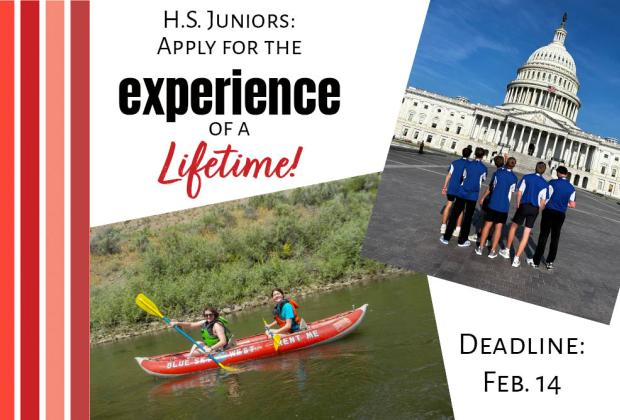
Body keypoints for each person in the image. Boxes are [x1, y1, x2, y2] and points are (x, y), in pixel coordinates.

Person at [499, 162, 549, 267]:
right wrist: (538, 210)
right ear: (544, 171)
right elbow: (543, 202)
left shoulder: (527, 177)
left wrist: (518, 203)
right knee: (526, 233)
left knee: (513, 227)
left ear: (535, 168)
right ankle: (516, 258)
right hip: (534, 208)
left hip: (524, 205)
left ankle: (507, 250)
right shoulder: (545, 184)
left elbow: (519, 192)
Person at [528, 166, 576, 270]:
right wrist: (564, 203)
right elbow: (572, 204)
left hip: (549, 211)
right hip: (560, 214)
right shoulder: (571, 188)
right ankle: (550, 262)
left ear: (558, 173)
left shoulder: (552, 183)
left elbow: (546, 197)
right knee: (555, 238)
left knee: (543, 236)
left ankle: (536, 261)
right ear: (566, 174)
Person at [440, 147, 487, 247]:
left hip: (462, 192)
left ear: (474, 154)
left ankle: (446, 237)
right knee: (468, 218)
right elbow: (483, 179)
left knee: (454, 214)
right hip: (473, 195)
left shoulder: (468, 164)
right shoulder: (484, 168)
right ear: (483, 156)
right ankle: (462, 240)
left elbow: (463, 176)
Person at [475, 157, 518, 258]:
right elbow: (511, 192)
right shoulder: (514, 178)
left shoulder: (498, 173)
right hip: (503, 206)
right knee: (498, 228)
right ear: (514, 165)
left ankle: (480, 247)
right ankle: (492, 251)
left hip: (493, 203)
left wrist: (483, 198)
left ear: (505, 163)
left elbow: (491, 187)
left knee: (487, 225)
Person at [469, 155, 505, 243]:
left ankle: (479, 235)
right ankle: (489, 238)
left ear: (495, 164)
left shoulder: (496, 174)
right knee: (494, 221)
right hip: (502, 201)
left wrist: (483, 197)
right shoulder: (505, 172)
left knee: (485, 218)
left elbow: (490, 187)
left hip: (492, 198)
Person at [440, 147, 472, 236]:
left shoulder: (455, 162)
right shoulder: (470, 165)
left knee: (449, 205)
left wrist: (444, 187)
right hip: (462, 190)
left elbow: (449, 175)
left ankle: (443, 226)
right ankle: (457, 229)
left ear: (462, 153)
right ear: (470, 154)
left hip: (452, 188)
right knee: (461, 208)